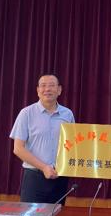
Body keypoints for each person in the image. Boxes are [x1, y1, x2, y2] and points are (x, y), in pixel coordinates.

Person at [10, 74, 75, 204]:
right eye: (43, 86)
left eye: (51, 85)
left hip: (59, 176)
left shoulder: (67, 114)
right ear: (38, 90)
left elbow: (72, 145)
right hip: (34, 177)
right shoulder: (26, 113)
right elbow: (18, 149)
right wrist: (44, 167)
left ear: (59, 90)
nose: (47, 89)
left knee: (57, 215)